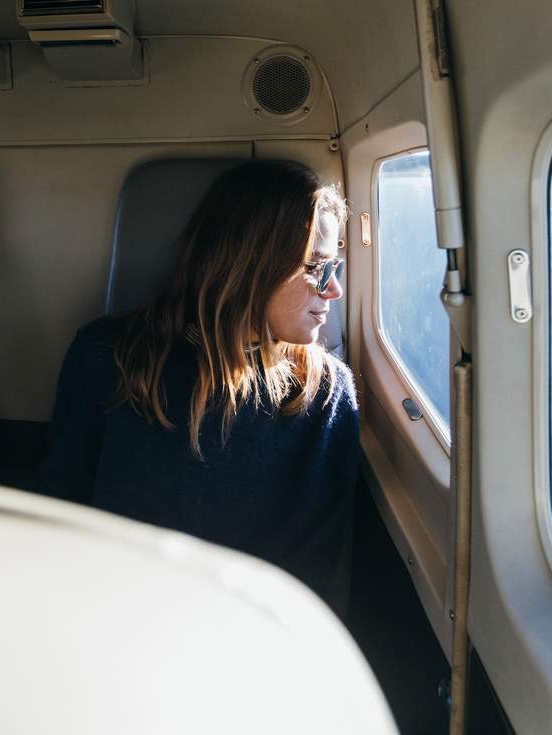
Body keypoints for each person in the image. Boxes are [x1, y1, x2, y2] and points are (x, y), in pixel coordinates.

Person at [41, 161, 359, 604]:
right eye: (315, 268)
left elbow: (316, 580)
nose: (333, 290)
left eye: (335, 267)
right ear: (252, 265)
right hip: (109, 614)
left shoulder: (324, 395)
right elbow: (60, 518)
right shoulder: (109, 358)